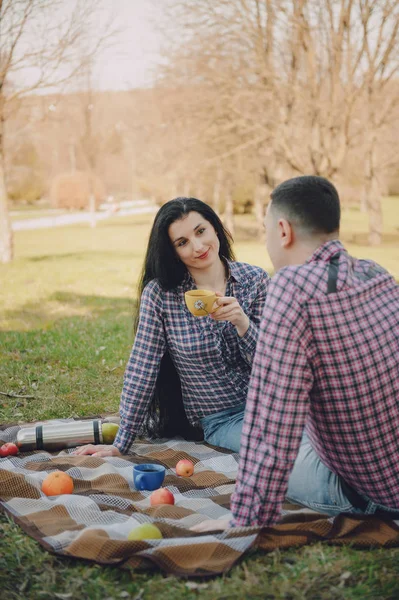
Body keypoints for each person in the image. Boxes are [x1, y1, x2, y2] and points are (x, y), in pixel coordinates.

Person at [192, 175, 399, 532]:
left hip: (372, 490)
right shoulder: (375, 274)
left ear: (283, 231)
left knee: (249, 461)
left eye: (265, 229)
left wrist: (245, 518)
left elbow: (273, 421)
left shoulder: (292, 287)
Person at [74, 197, 269, 458]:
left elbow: (274, 362)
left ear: (214, 227)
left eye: (201, 231)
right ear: (172, 251)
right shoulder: (161, 295)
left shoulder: (255, 280)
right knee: (284, 451)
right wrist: (121, 443)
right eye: (183, 242)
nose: (198, 246)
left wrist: (243, 323)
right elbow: (143, 366)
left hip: (273, 402)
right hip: (222, 419)